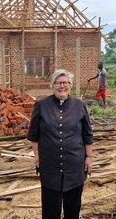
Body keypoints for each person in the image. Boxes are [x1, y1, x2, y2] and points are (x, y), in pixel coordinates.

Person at [27, 69, 93, 219]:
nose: (61, 86)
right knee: (50, 211)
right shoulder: (41, 105)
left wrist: (89, 157)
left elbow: (87, 134)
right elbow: (34, 134)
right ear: (52, 85)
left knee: (73, 210)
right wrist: (37, 154)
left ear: (70, 85)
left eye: (65, 82)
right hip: (50, 166)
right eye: (58, 83)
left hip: (74, 166)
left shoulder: (79, 105)